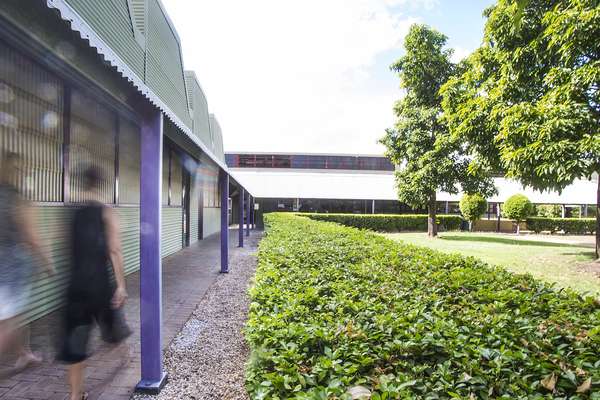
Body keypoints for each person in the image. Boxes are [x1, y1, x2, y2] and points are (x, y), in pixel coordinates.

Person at [58, 165, 130, 400]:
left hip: (75, 288)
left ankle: (75, 394)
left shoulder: (72, 214)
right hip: (99, 286)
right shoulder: (107, 213)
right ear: (101, 184)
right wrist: (121, 285)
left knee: (76, 345)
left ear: (82, 184)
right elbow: (115, 250)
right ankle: (124, 357)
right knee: (112, 329)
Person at [0, 151, 53, 371]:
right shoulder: (16, 198)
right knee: (8, 320)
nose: (23, 173)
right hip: (12, 265)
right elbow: (31, 236)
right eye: (20, 169)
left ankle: (24, 353)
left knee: (16, 313)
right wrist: (47, 262)